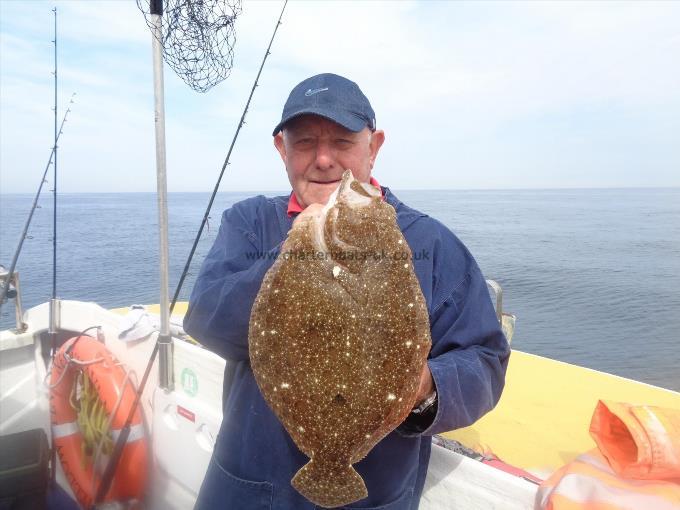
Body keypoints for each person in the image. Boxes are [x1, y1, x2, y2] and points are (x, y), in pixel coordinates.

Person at [185, 73, 510, 510]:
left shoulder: (430, 242)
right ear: (282, 149)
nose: (323, 159)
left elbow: (485, 362)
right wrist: (292, 252)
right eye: (304, 143)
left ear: (372, 147)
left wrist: (419, 387)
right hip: (246, 489)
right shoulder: (250, 224)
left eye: (342, 142)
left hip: (372, 497)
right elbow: (205, 317)